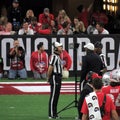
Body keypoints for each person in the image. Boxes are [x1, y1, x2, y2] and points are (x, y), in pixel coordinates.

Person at [47, 42, 63, 119]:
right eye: (60, 47)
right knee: (53, 96)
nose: (62, 48)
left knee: (56, 96)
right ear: (56, 48)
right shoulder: (54, 57)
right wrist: (48, 77)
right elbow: (50, 68)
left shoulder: (57, 56)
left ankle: (55, 113)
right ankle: (51, 114)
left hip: (58, 77)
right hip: (55, 77)